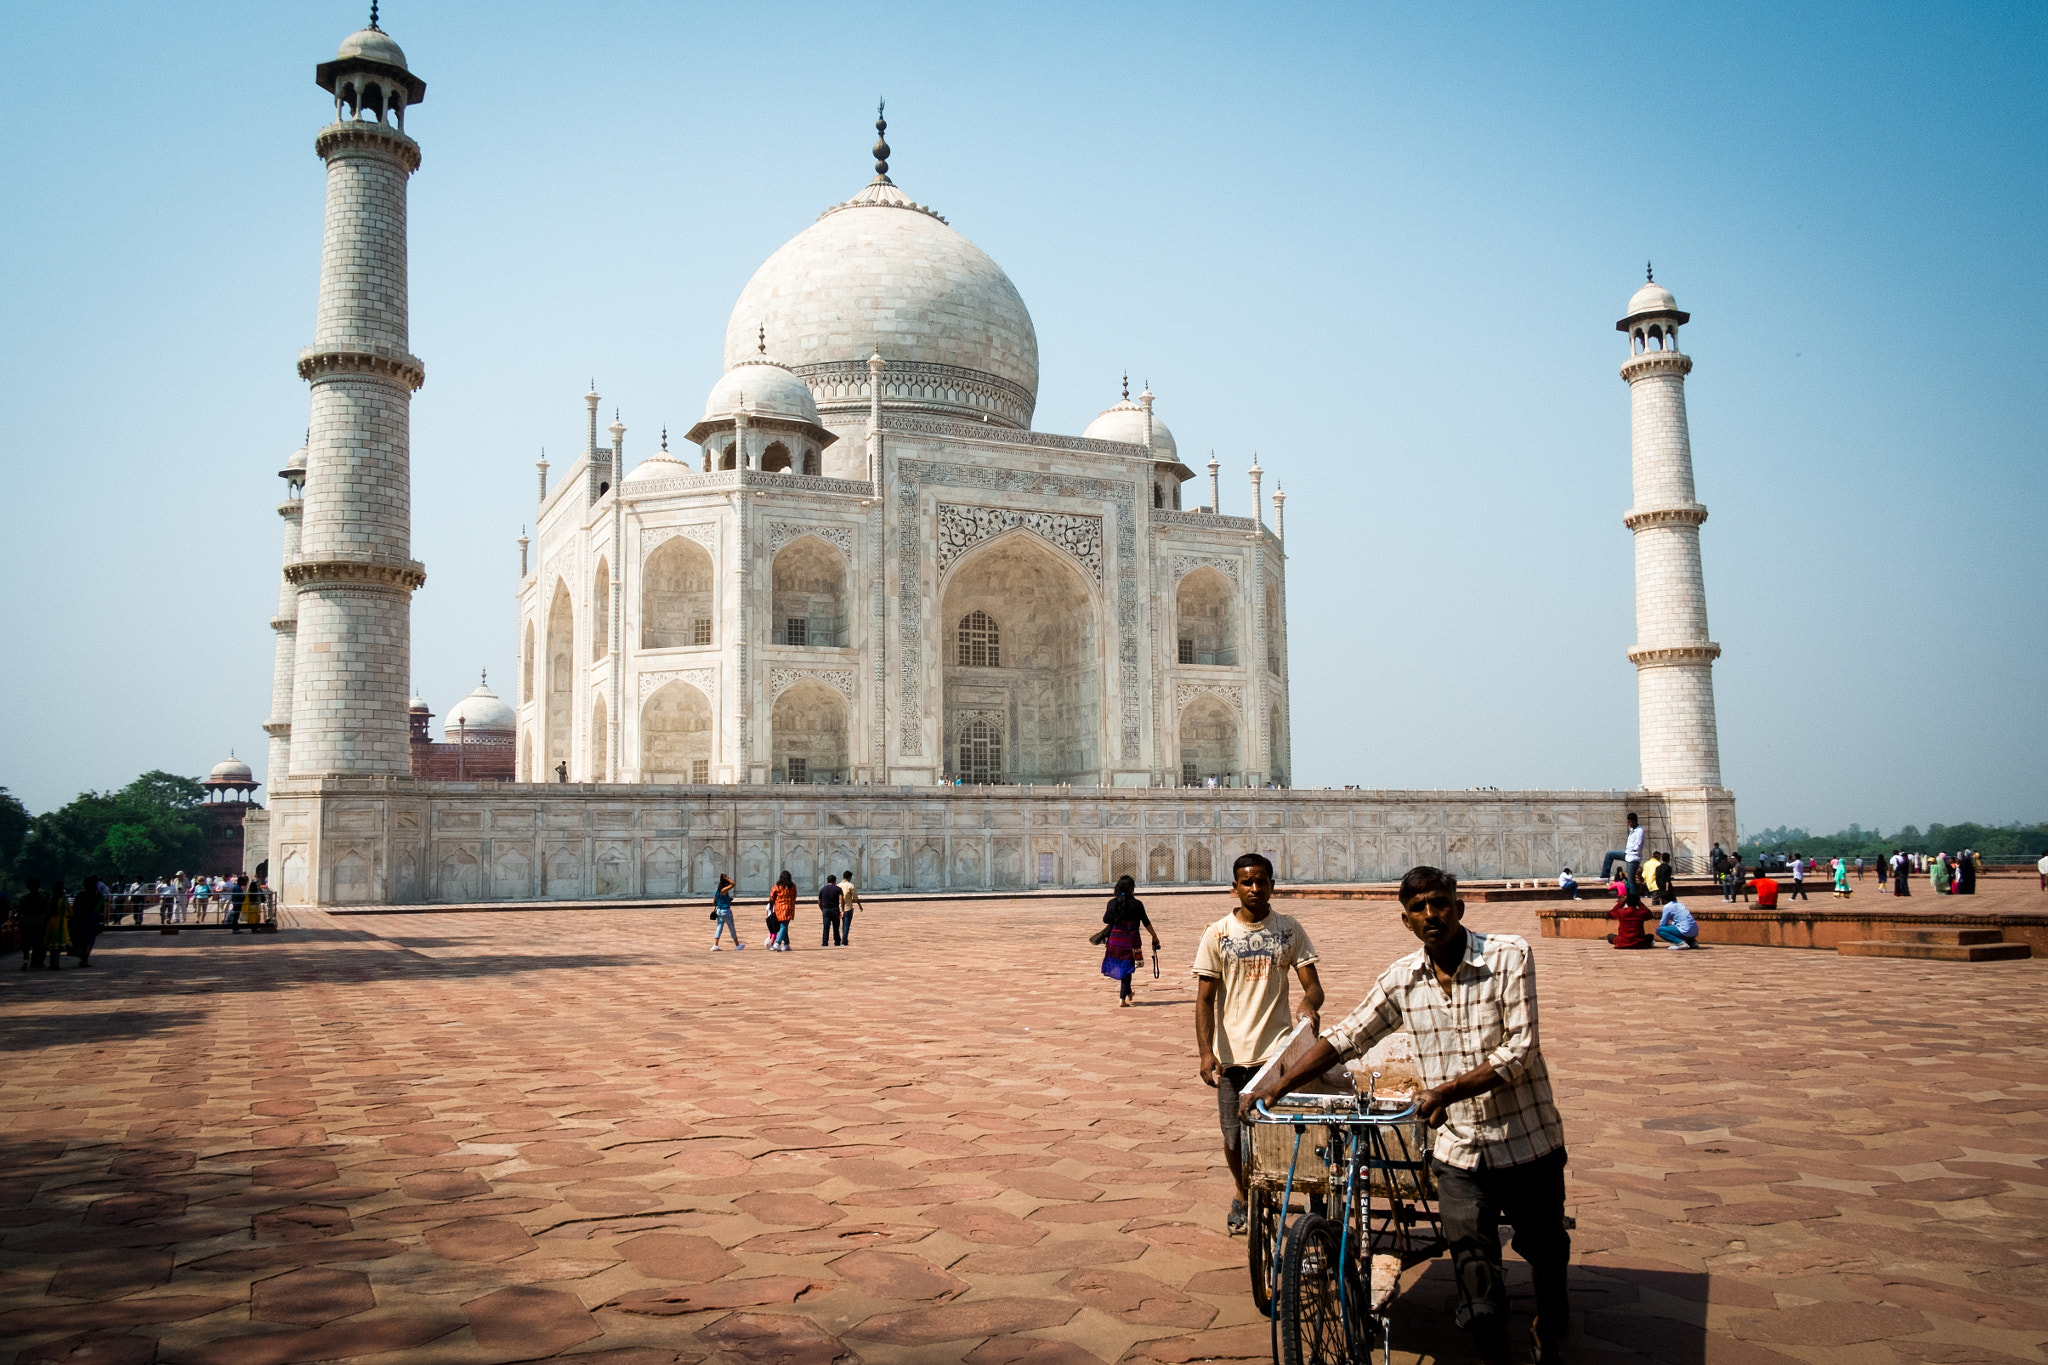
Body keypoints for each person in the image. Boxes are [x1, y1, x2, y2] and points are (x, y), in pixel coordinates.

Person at [1241, 866, 1570, 1365]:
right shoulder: (1402, 979)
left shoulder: (1508, 955)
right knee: (1478, 1291)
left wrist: (1447, 1090)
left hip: (1526, 1139)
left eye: (1439, 903)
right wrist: (1277, 1085)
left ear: (1458, 908)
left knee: (1546, 1252)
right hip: (1458, 1152)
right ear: (1406, 921)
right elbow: (1347, 1037)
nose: (1431, 915)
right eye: (1418, 909)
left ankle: (1549, 1321)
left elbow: (1519, 1051)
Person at [1192, 852, 1323, 1237]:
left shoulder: (1288, 929)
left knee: (1291, 1129)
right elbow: (1204, 998)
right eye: (1246, 882)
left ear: (1272, 885)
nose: (1254, 888)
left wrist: (1308, 1003)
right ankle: (1241, 1189)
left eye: (1260, 881)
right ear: (1234, 887)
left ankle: (1304, 1189)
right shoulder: (1217, 934)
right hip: (1233, 1054)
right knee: (1232, 1134)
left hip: (1278, 1051)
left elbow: (1313, 985)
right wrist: (1205, 1051)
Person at [1101, 874, 1161, 1007]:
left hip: (1115, 941)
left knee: (1123, 967)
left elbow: (1105, 920)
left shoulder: (1112, 903)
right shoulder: (1137, 904)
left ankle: (1128, 992)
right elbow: (1146, 922)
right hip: (1131, 942)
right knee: (1127, 968)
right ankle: (1122, 999)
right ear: (1132, 888)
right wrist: (1154, 936)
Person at [1600, 811, 1646, 887]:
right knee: (1610, 854)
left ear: (1636, 821)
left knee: (1631, 881)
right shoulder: (1632, 829)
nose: (1630, 824)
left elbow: (1638, 844)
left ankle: (1634, 898)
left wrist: (1633, 851)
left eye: (1632, 822)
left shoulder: (1639, 831)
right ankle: (1605, 876)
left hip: (1633, 857)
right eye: (1629, 822)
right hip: (1627, 853)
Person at [70, 876, 106, 966]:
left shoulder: (81, 895)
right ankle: (85, 958)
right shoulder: (98, 895)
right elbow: (99, 908)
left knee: (81, 939)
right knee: (89, 940)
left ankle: (83, 957)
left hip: (81, 920)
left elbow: (74, 908)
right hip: (92, 920)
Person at [16, 880, 51, 970]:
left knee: (26, 943)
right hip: (38, 922)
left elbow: (20, 911)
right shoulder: (43, 897)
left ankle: (26, 959)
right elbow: (47, 911)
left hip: (26, 922)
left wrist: (19, 922)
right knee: (38, 944)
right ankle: (36, 962)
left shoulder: (24, 898)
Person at [710, 874, 743, 950]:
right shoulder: (723, 890)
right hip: (726, 911)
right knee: (731, 927)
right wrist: (727, 878)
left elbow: (713, 902)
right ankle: (737, 945)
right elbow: (733, 884)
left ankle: (715, 944)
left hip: (719, 911)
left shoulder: (717, 892)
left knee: (719, 927)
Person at [769, 871, 796, 950]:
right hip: (789, 908)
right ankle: (786, 944)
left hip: (779, 908)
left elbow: (772, 897)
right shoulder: (793, 887)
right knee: (784, 926)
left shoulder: (777, 887)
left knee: (783, 926)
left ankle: (778, 942)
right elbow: (794, 896)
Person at [819, 874, 844, 947]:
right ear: (835, 881)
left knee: (826, 927)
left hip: (826, 910)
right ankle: (837, 942)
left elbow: (819, 901)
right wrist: (842, 910)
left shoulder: (823, 889)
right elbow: (841, 900)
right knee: (836, 928)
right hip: (835, 910)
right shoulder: (838, 889)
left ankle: (825, 942)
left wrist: (822, 909)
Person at [837, 870, 860, 942]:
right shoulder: (850, 885)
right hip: (848, 907)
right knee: (846, 925)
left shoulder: (838, 885)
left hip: (839, 907)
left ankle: (839, 939)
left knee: (838, 925)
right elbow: (855, 898)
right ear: (849, 877)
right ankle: (844, 939)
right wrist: (859, 905)